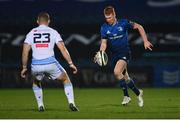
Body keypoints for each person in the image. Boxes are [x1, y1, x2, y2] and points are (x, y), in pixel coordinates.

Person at [95, 6, 153, 107]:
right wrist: (100, 52)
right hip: (114, 55)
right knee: (125, 78)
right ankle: (138, 93)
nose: (107, 20)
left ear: (114, 15)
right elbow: (104, 43)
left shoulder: (123, 23)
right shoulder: (104, 27)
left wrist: (145, 41)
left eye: (109, 17)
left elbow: (139, 27)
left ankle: (126, 96)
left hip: (124, 53)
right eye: (106, 18)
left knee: (117, 72)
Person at [20, 12, 79, 112]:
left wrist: (24, 67)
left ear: (38, 21)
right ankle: (71, 103)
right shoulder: (53, 32)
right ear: (49, 21)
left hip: (36, 65)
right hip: (50, 63)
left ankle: (40, 105)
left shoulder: (31, 33)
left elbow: (25, 51)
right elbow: (63, 49)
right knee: (65, 79)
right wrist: (71, 63)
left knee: (36, 82)